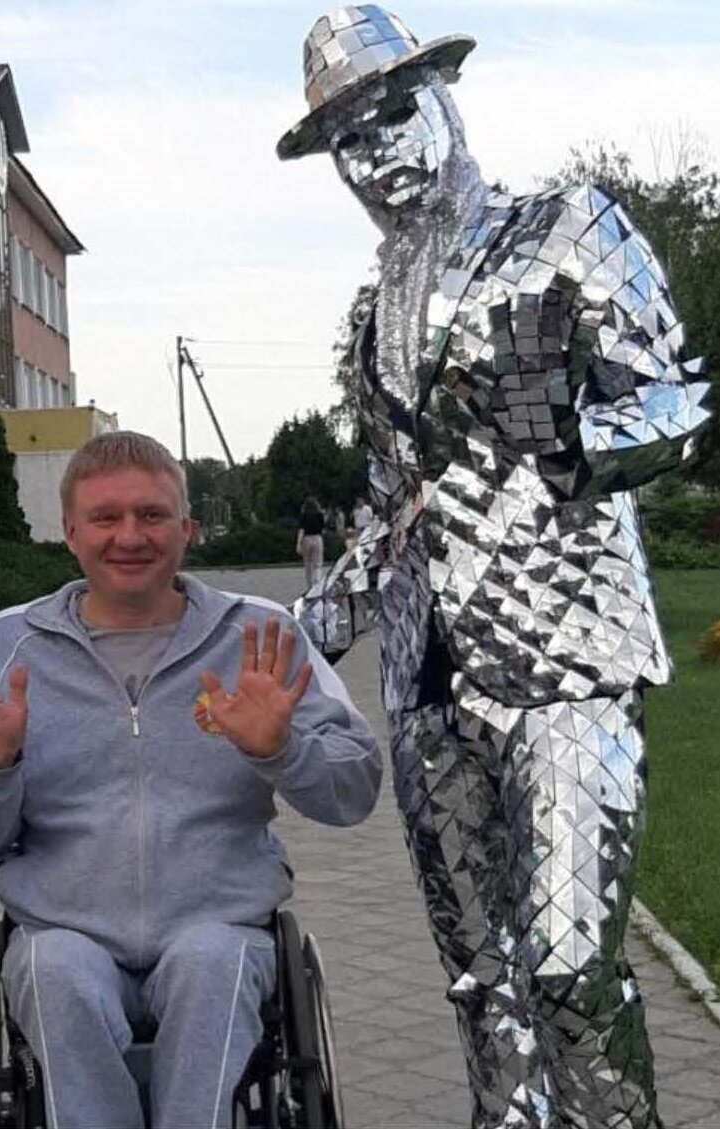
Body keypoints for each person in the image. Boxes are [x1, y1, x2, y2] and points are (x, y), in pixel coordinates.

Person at [278, 8, 709, 1129]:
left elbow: (677, 398)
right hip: (428, 683)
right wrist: (303, 626)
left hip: (566, 660)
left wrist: (571, 442)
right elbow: (398, 504)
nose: (376, 154)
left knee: (567, 970)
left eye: (392, 116)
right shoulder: (373, 312)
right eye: (348, 142)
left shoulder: (570, 226)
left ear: (443, 98)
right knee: (482, 984)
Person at [0, 431, 382, 1129]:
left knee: (213, 963)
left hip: (218, 921)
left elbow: (356, 789)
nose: (129, 536)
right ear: (70, 532)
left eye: (151, 515)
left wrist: (283, 750)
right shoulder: (10, 644)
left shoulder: (259, 635)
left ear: (186, 529)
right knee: (53, 969)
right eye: (105, 517)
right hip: (61, 925)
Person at [295, 494, 326, 588]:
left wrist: (298, 544)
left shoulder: (303, 515)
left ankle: (310, 586)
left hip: (307, 539)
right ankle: (318, 582)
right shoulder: (320, 515)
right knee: (318, 564)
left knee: (308, 564)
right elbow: (323, 528)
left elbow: (301, 530)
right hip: (317, 538)